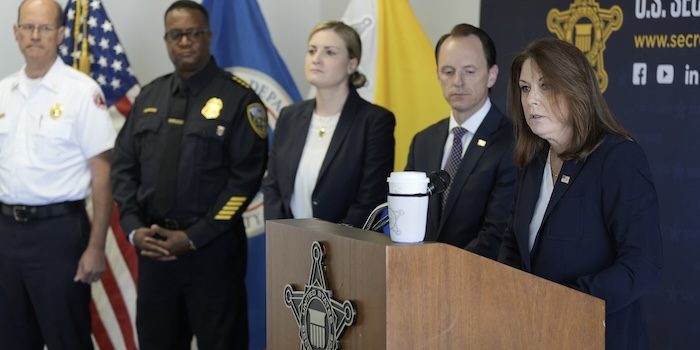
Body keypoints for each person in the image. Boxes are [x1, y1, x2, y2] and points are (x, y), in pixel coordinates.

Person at [111, 1, 267, 348]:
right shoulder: (150, 97)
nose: (185, 42)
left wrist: (194, 236)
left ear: (208, 36)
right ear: (167, 40)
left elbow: (244, 182)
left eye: (193, 33)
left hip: (212, 253)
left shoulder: (239, 100)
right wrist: (134, 228)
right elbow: (123, 169)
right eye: (176, 34)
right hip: (155, 253)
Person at [498, 38, 663, 349]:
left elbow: (643, 264)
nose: (532, 100)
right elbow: (512, 243)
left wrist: (565, 304)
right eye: (525, 88)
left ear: (576, 88)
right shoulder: (532, 161)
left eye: (545, 86)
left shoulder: (618, 159)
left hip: (598, 336)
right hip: (532, 333)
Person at [0, 0, 114, 348]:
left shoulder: (82, 92)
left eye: (45, 28)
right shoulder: (3, 92)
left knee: (67, 337)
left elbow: (103, 174)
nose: (35, 35)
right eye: (28, 27)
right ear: (16, 32)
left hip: (58, 235)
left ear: (61, 34)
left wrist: (96, 247)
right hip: (6, 233)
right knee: (11, 338)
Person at [262, 21, 395, 228]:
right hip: (288, 245)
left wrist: (329, 246)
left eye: (330, 52)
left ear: (352, 64)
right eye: (312, 51)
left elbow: (370, 198)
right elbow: (273, 187)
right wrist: (282, 234)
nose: (316, 59)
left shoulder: (374, 121)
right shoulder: (289, 116)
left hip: (346, 249)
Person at [405, 24, 516, 259]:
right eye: (448, 71)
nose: (458, 81)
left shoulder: (512, 141)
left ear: (492, 75)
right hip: (416, 275)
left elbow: (497, 233)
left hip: (477, 280)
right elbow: (406, 217)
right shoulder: (423, 142)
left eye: (469, 71)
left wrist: (444, 272)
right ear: (437, 75)